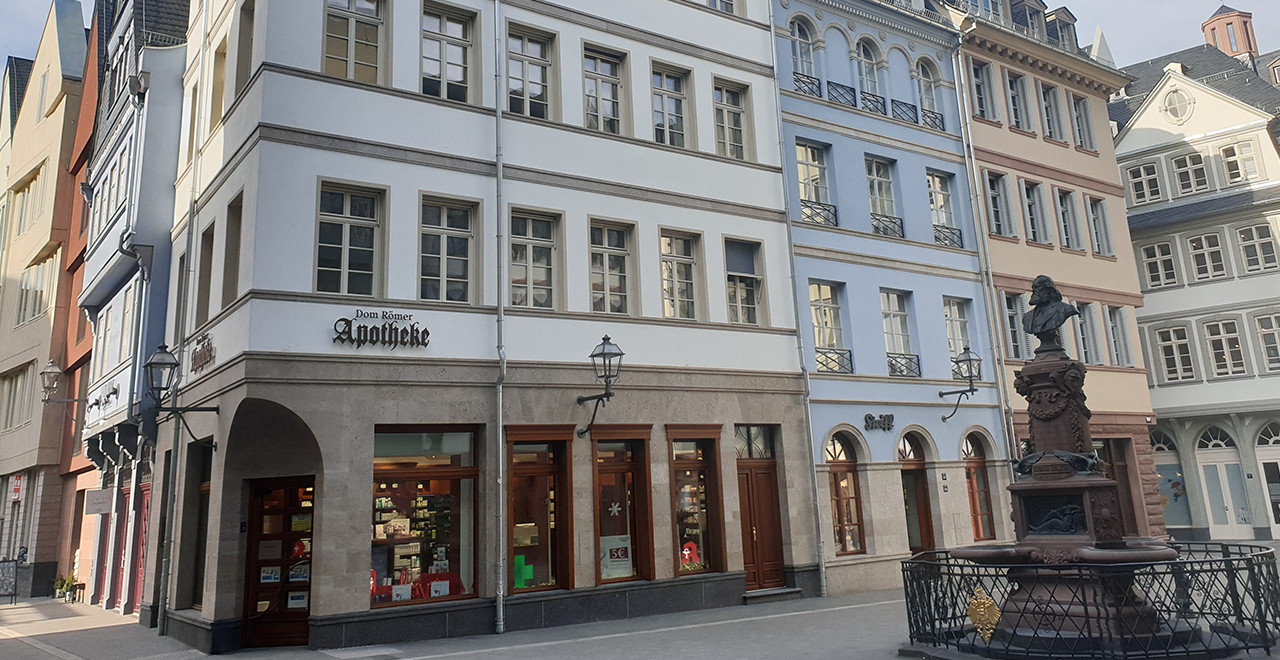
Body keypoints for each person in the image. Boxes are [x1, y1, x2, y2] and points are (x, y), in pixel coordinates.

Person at [1022, 275, 1078, 352]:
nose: (1034, 291)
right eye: (1033, 288)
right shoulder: (1027, 317)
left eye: (1038, 288)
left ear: (1049, 290)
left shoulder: (1065, 309)